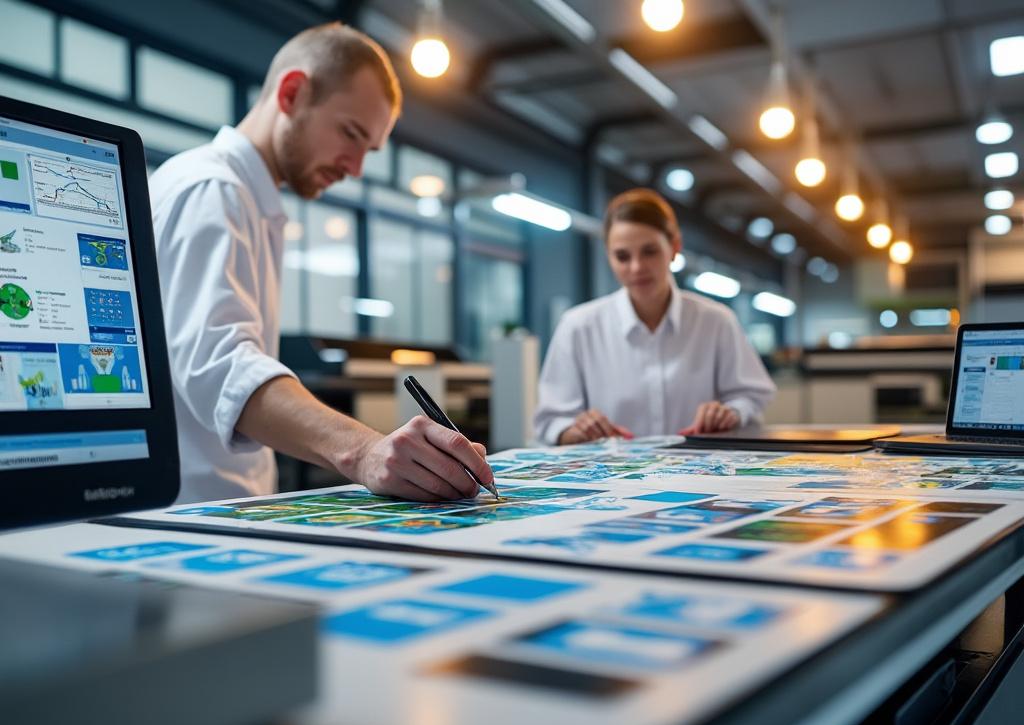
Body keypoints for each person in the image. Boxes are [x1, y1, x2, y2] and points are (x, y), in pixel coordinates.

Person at [150, 23, 493, 503]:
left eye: (368, 151)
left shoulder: (248, 200)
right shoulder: (212, 189)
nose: (354, 168)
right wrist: (364, 451)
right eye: (350, 134)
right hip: (189, 511)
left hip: (222, 503)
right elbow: (221, 367)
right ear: (292, 93)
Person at [534, 188, 775, 445]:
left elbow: (750, 395)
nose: (636, 267)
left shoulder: (717, 321)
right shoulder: (578, 326)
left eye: (649, 251)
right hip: (613, 477)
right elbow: (551, 421)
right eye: (622, 256)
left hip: (700, 474)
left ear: (674, 247)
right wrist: (578, 430)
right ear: (609, 256)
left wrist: (730, 412)